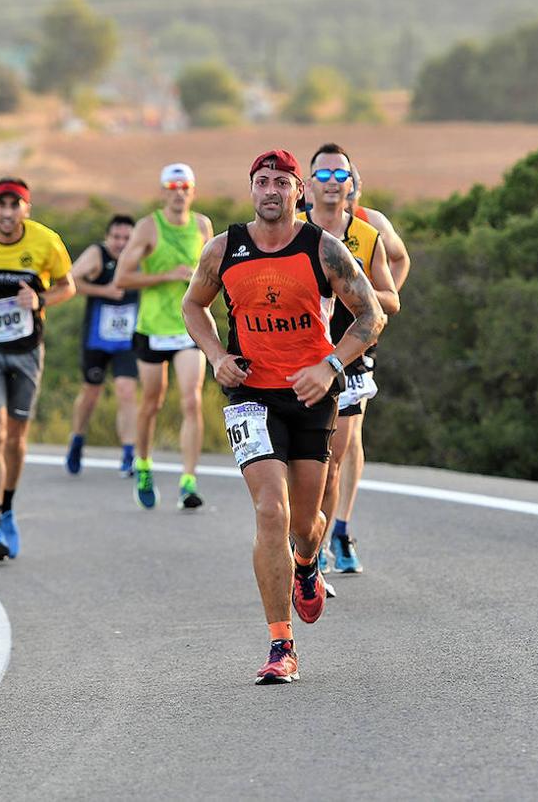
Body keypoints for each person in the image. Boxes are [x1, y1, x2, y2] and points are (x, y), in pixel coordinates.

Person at [181, 149, 385, 685]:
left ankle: (308, 564)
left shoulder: (325, 249)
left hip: (311, 393)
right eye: (262, 181)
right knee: (270, 511)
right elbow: (192, 307)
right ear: (252, 190)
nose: (271, 190)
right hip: (251, 392)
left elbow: (372, 314)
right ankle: (281, 643)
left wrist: (330, 365)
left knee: (304, 526)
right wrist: (217, 356)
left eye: (282, 183)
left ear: (299, 192)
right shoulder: (224, 249)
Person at [0, 177, 75, 561]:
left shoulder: (45, 241)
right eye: (1, 205)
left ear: (26, 209)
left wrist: (39, 298)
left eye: (15, 205)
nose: (7, 212)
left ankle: (6, 508)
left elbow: (67, 286)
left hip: (26, 348)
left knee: (16, 437)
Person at [298, 144, 399, 581]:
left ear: (353, 182)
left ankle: (321, 546)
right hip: (300, 353)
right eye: (323, 175)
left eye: (341, 175)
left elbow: (391, 294)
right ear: (308, 185)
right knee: (302, 460)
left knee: (334, 458)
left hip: (352, 355)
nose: (333, 182)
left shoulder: (368, 231)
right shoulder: (293, 229)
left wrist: (358, 295)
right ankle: (306, 536)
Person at [324, 161, 411, 573]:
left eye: (347, 183)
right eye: (326, 179)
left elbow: (400, 260)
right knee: (325, 447)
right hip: (314, 345)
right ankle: (314, 534)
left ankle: (339, 529)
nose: (341, 190)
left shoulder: (370, 224)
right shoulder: (308, 225)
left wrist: (370, 303)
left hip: (358, 344)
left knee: (348, 439)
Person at [114, 163, 213, 510]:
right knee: (152, 403)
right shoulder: (147, 228)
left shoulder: (202, 226)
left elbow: (210, 273)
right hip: (152, 327)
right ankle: (143, 465)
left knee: (191, 399)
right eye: (172, 186)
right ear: (162, 192)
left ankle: (189, 480)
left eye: (185, 186)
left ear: (193, 191)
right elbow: (122, 279)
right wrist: (166, 275)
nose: (179, 192)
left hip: (188, 325)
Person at [66, 214, 140, 476]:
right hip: (97, 338)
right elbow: (69, 280)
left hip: (128, 340)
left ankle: (129, 453)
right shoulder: (98, 255)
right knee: (91, 393)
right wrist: (104, 291)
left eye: (127, 238)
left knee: (126, 391)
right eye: (116, 237)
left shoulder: (141, 258)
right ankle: (77, 439)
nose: (121, 243)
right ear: (108, 237)